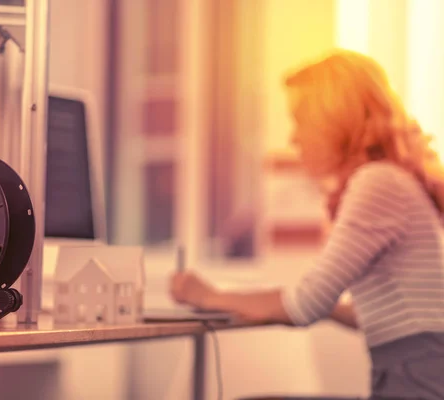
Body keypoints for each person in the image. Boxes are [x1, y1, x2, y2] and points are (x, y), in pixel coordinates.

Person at [170, 49, 444, 400]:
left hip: (415, 383)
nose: (293, 138)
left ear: (334, 120)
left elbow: (304, 305)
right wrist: (322, 306)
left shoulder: (377, 183)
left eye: (300, 120)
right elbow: (382, 313)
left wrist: (206, 295)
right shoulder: (394, 181)